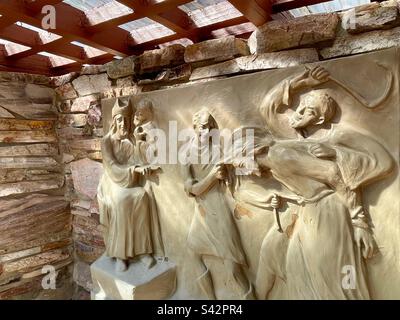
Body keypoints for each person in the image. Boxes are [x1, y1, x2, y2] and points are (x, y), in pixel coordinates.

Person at [253, 66, 393, 299]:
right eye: (298, 109)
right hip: (306, 211)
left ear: (318, 118)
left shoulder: (334, 137)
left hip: (331, 212)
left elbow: (378, 164)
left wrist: (337, 153)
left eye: (306, 112)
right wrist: (303, 81)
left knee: (331, 277)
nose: (296, 115)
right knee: (297, 269)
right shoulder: (291, 137)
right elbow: (267, 107)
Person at [182, 108, 254, 300]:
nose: (204, 132)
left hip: (220, 211)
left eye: (209, 128)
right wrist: (212, 177)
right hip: (202, 212)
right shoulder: (187, 154)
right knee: (193, 255)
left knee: (231, 266)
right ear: (195, 128)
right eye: (201, 128)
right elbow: (191, 190)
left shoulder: (218, 151)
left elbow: (236, 179)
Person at [97, 98, 164, 272]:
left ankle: (142, 251)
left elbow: (137, 160)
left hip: (128, 181)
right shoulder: (106, 141)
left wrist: (144, 165)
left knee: (141, 196)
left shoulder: (131, 140)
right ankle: (120, 255)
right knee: (122, 201)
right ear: (114, 121)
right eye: (120, 119)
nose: (124, 123)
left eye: (127, 119)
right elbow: (111, 166)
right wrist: (134, 169)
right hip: (112, 182)